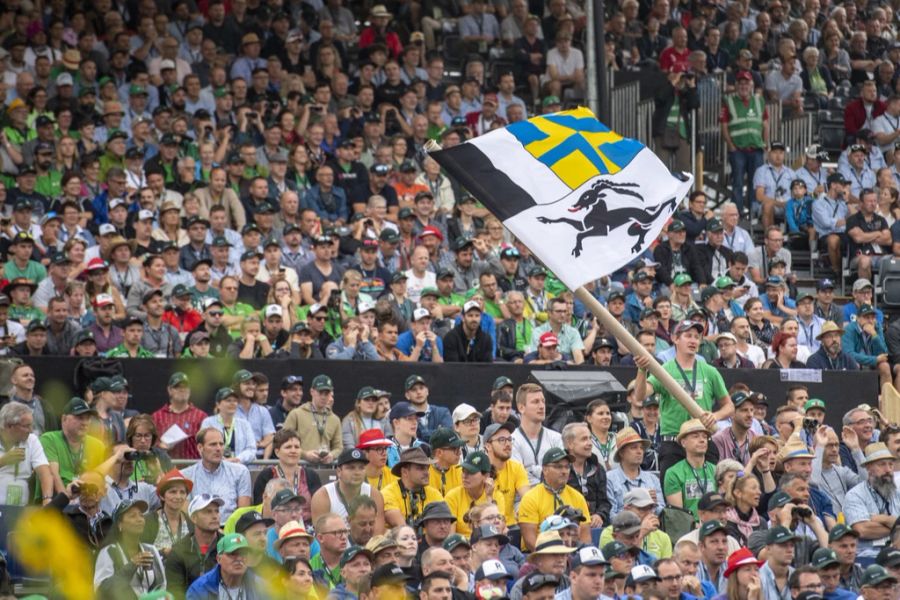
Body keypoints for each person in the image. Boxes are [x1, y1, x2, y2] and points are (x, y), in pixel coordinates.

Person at [634, 320, 733, 482]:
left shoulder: (709, 371)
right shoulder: (665, 369)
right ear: (675, 339)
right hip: (674, 443)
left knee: (710, 492)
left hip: (703, 441)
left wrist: (715, 416)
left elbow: (729, 407)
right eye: (688, 336)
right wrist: (641, 370)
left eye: (696, 337)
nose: (693, 340)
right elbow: (640, 396)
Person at [518, 447, 591, 550]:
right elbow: (530, 541)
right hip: (539, 555)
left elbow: (585, 537)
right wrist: (553, 555)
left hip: (572, 553)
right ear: (545, 470)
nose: (564, 471)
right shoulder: (531, 498)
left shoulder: (577, 497)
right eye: (558, 467)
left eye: (567, 467)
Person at [94, 499, 167, 597]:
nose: (140, 519)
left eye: (141, 515)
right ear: (120, 524)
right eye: (133, 516)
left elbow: (161, 586)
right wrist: (132, 565)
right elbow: (101, 590)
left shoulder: (151, 550)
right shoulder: (109, 552)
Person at [843, 442, 900, 566]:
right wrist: (896, 526)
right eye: (882, 465)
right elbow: (862, 530)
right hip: (867, 556)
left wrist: (882, 519)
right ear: (868, 468)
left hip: (896, 554)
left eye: (890, 464)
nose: (888, 470)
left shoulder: (897, 493)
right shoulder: (855, 495)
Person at [181, 427, 252, 521]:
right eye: (213, 444)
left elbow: (243, 513)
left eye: (221, 444)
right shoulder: (186, 475)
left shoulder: (240, 472)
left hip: (231, 531)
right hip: (198, 530)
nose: (218, 448)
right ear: (200, 448)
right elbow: (187, 515)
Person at [311, 448, 385, 531]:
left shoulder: (374, 494)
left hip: (367, 543)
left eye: (361, 468)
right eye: (351, 468)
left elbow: (378, 535)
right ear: (339, 471)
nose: (357, 472)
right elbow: (321, 536)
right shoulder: (323, 496)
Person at [165, 494, 224, 597]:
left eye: (217, 511)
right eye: (208, 512)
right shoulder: (179, 550)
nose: (215, 516)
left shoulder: (228, 547)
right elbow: (174, 592)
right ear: (194, 518)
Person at [0, 401, 53, 506]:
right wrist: (3, 461)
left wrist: (47, 498)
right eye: (26, 426)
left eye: (31, 425)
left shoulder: (31, 440)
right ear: (9, 426)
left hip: (21, 507)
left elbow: (45, 472)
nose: (31, 430)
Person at [284, 374, 343, 465]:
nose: (323, 397)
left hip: (324, 468)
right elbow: (283, 442)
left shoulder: (335, 419)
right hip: (300, 466)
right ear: (312, 392)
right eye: (320, 392)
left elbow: (339, 447)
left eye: (326, 393)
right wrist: (304, 454)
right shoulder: (296, 414)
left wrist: (332, 455)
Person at [664, 419, 717, 520]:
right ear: (683, 443)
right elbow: (678, 516)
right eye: (695, 436)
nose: (702, 440)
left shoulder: (716, 470)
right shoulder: (673, 473)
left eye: (705, 437)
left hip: (716, 527)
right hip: (690, 530)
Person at [512, 383, 564, 485]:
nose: (541, 406)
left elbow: (561, 472)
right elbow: (518, 478)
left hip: (553, 495)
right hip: (523, 499)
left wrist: (532, 470)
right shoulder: (512, 440)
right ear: (521, 407)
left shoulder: (556, 438)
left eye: (543, 401)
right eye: (535, 402)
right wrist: (546, 471)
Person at [185, 533, 263, 599]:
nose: (239, 559)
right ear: (219, 559)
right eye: (233, 554)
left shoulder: (262, 586)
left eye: (243, 553)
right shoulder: (200, 590)